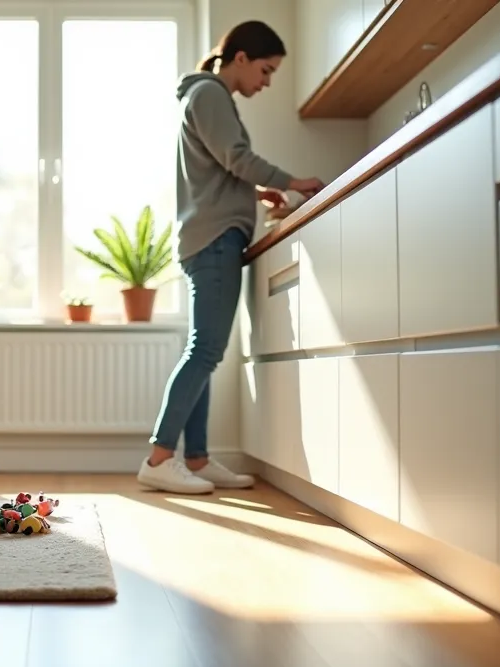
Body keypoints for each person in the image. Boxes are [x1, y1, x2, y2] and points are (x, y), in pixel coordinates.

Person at [137, 20, 325, 494]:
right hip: (215, 238)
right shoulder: (210, 95)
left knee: (205, 350)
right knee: (205, 350)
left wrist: (257, 191)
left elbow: (222, 167)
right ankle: (160, 458)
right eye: (265, 70)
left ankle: (196, 460)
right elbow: (236, 156)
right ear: (240, 57)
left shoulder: (204, 97)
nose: (266, 81)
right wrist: (292, 180)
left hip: (213, 236)